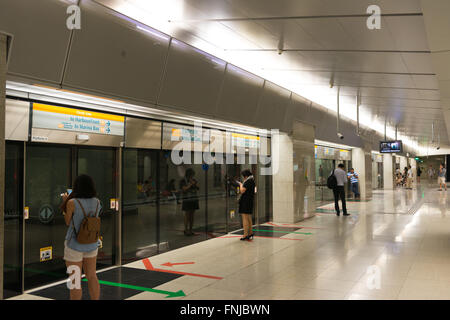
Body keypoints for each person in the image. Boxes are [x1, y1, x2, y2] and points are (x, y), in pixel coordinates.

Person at [60, 174, 101, 300]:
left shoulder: (72, 202)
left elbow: (68, 222)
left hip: (74, 245)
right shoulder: (97, 202)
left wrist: (65, 202)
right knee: (92, 275)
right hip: (92, 244)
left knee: (75, 280)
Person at [180, 168, 199, 236]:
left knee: (192, 215)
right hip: (187, 199)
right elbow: (184, 189)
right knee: (187, 215)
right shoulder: (183, 181)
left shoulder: (194, 180)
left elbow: (198, 188)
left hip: (194, 199)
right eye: (191, 175)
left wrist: (195, 184)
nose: (192, 177)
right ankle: (186, 229)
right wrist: (190, 184)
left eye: (192, 175)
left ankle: (191, 229)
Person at [237, 169, 256, 240]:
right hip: (249, 201)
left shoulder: (248, 181)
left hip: (245, 202)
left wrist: (241, 185)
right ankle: (250, 233)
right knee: (249, 218)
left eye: (243, 176)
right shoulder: (252, 180)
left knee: (244, 218)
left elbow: (242, 190)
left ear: (246, 176)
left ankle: (245, 235)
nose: (243, 178)